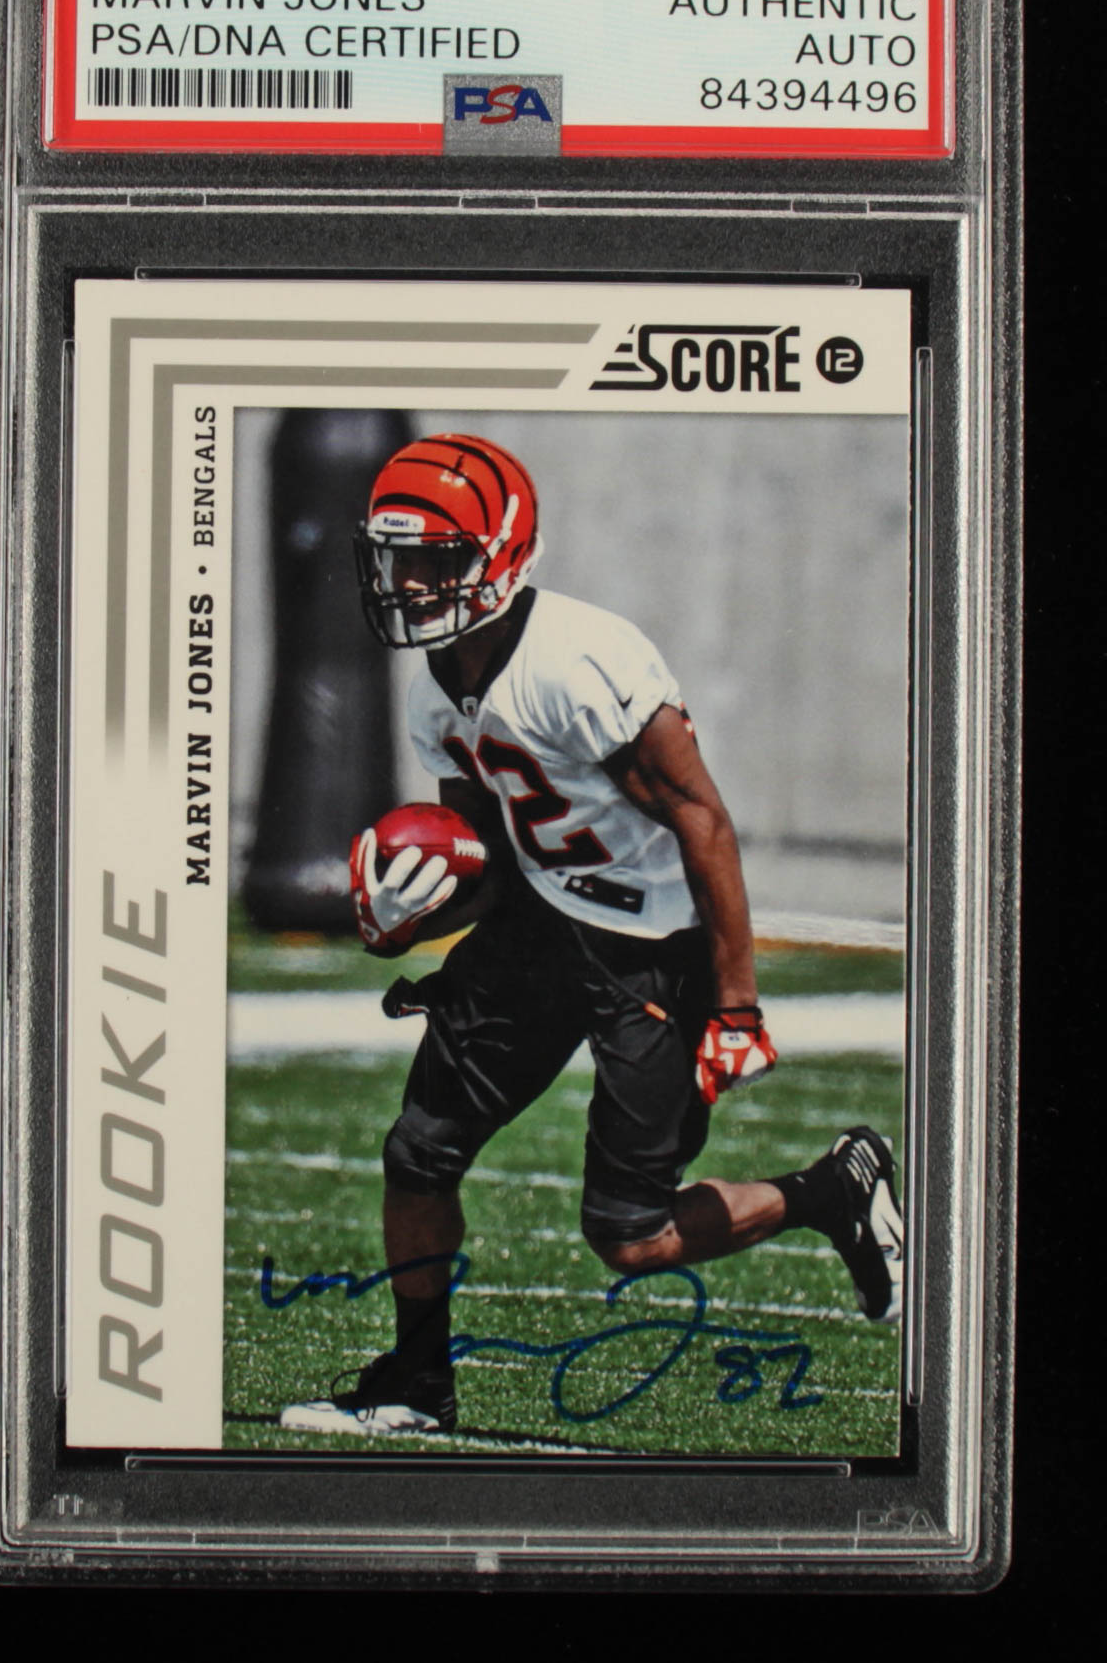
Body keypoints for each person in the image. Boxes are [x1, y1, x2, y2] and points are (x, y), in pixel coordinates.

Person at [289, 432, 902, 1437]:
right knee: (418, 1152)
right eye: (397, 560)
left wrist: (735, 1005)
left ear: (501, 552)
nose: (409, 584)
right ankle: (415, 1383)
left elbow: (702, 819)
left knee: (630, 1234)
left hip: (653, 947)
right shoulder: (435, 684)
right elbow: (487, 857)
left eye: (435, 560)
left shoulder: (580, 662)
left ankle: (829, 1190)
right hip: (539, 923)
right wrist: (409, 921)